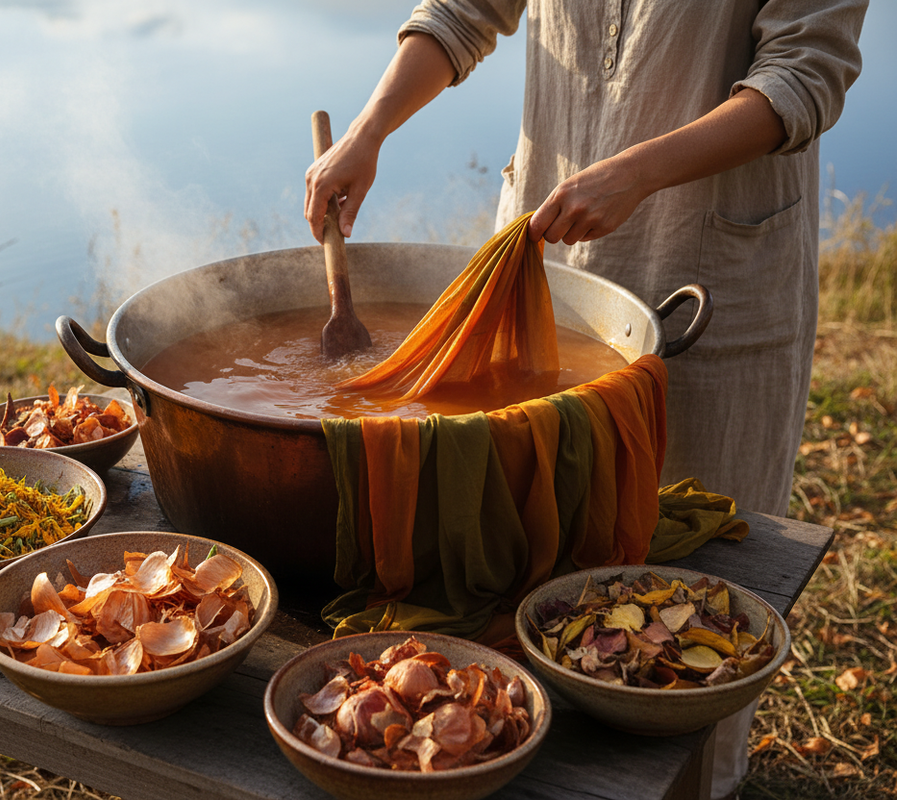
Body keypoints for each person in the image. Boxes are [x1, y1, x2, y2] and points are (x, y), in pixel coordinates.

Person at [304, 2, 867, 798]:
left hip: (704, 269)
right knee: (519, 557)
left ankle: (702, 785)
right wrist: (369, 130)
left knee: (695, 593)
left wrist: (636, 170)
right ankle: (514, 757)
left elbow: (806, 73)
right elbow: (467, 9)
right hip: (536, 267)